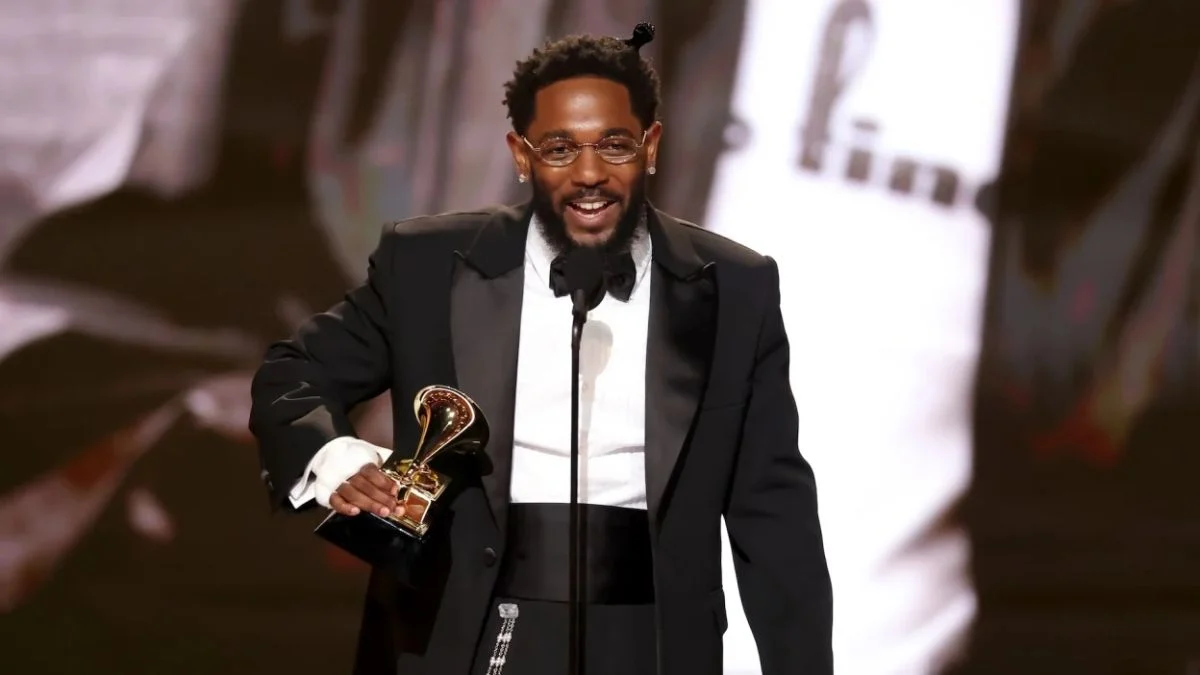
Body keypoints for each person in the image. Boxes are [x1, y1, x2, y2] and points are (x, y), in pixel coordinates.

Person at [249, 23, 833, 675]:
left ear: (652, 146)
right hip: (463, 625)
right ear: (521, 155)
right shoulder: (430, 263)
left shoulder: (734, 285)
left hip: (652, 640)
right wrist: (335, 458)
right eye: (560, 148)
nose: (589, 174)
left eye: (613, 145)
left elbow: (772, 508)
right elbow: (294, 374)